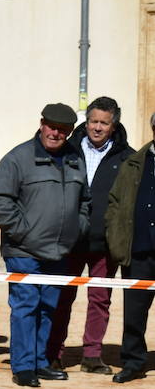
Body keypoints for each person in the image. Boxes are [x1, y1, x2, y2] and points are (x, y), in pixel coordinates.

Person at [0, 103, 90, 387]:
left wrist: (76, 229)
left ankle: (41, 362)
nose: (56, 133)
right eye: (52, 127)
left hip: (59, 251)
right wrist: (23, 231)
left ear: (69, 132)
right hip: (23, 251)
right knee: (26, 306)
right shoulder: (19, 158)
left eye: (63, 130)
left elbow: (85, 202)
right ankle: (23, 367)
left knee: (49, 307)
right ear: (42, 124)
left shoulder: (74, 159)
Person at [50, 97, 133, 374]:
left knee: (100, 299)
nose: (97, 128)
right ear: (86, 122)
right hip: (70, 239)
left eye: (104, 123)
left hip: (105, 242)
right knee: (62, 297)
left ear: (114, 125)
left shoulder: (127, 158)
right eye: (93, 121)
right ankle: (54, 352)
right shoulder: (67, 149)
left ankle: (92, 356)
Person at [104, 111, 155, 384]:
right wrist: (116, 236)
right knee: (134, 313)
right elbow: (115, 202)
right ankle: (133, 362)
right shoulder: (135, 162)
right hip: (139, 249)